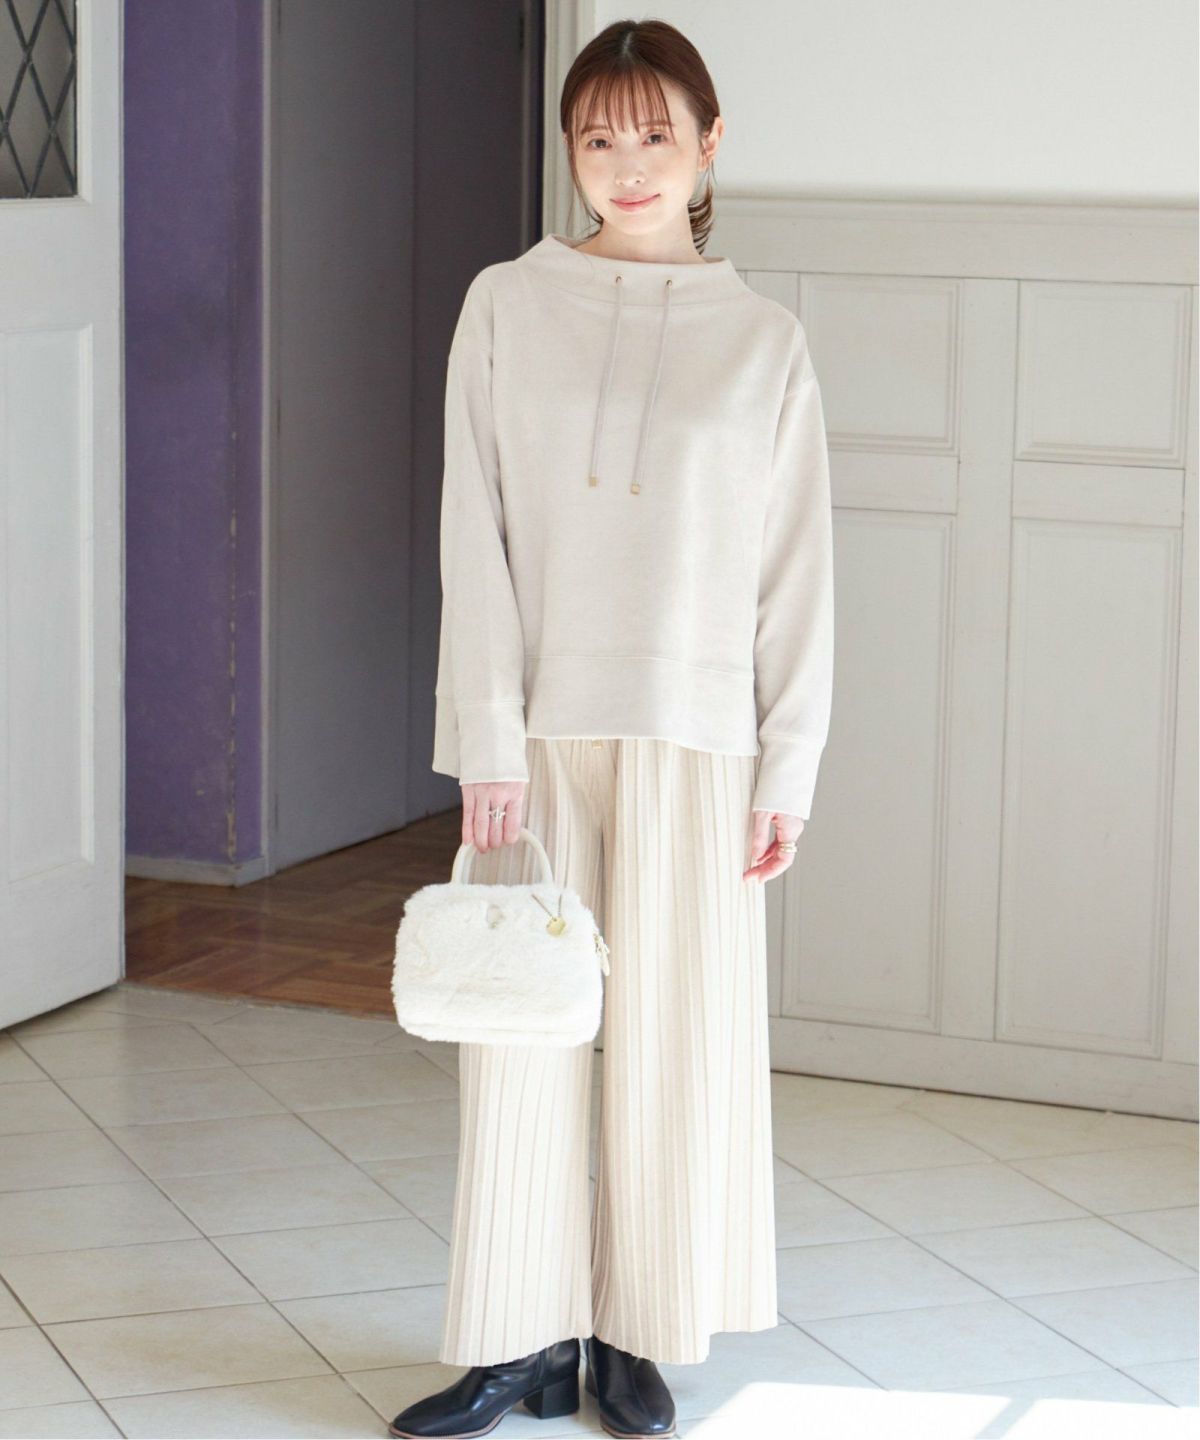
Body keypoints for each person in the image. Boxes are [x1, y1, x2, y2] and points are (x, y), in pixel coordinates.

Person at [390, 18, 834, 1440]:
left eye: (656, 134)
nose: (626, 164)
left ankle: (636, 1333)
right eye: (598, 136)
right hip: (541, 735)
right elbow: (474, 531)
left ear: (710, 144)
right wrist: (487, 738)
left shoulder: (764, 341)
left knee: (672, 1053)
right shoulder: (507, 306)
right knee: (520, 1045)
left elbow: (795, 574)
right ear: (570, 150)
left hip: (702, 743)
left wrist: (789, 765)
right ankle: (516, 1340)